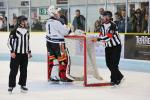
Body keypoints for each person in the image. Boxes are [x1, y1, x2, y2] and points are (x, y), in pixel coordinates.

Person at [92, 11, 124, 85]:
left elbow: (108, 37)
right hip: (108, 47)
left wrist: (98, 39)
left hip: (116, 47)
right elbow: (101, 35)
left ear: (108, 17)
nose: (102, 17)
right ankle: (119, 76)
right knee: (108, 64)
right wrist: (96, 38)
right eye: (102, 16)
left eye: (104, 16)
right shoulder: (102, 25)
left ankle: (114, 80)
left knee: (114, 64)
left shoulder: (113, 25)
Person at [46, 5, 73, 83]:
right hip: (58, 44)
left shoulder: (48, 22)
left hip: (50, 44)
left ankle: (54, 76)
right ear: (53, 13)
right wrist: (69, 27)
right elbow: (66, 32)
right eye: (57, 12)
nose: (59, 14)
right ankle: (64, 76)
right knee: (63, 60)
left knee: (55, 61)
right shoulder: (57, 22)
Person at [7, 15, 32, 93]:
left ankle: (23, 85)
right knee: (13, 70)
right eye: (23, 21)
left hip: (24, 55)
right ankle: (11, 86)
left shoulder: (27, 31)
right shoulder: (14, 31)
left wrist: (29, 51)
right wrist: (12, 52)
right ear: (20, 22)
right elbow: (9, 42)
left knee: (24, 71)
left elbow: (27, 43)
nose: (25, 22)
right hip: (16, 54)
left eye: (25, 21)